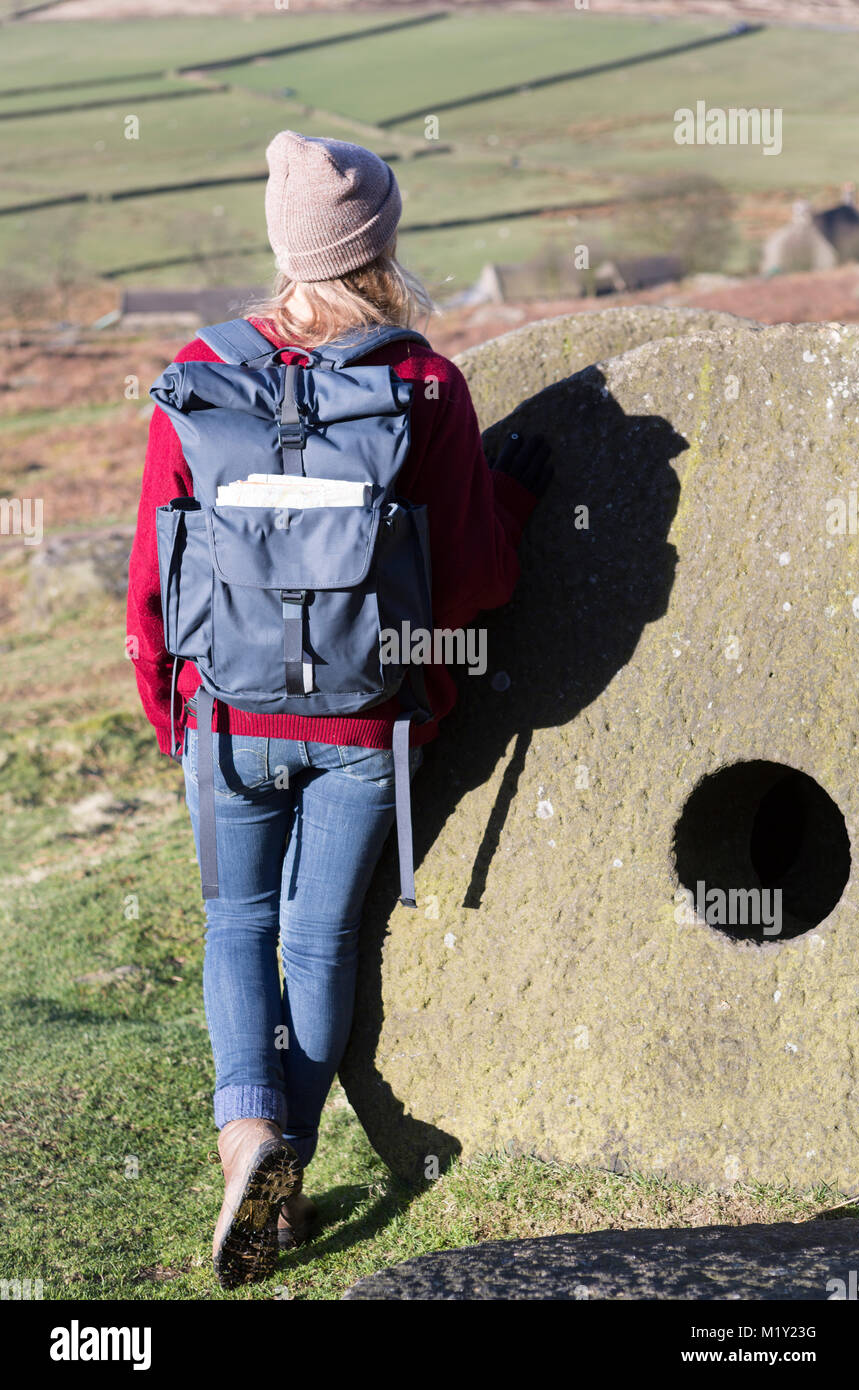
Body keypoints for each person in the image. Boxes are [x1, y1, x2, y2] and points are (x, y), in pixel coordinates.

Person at [127, 129, 552, 1288]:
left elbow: (151, 578)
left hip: (227, 721)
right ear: (383, 244)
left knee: (233, 930)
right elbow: (472, 581)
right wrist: (510, 490)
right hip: (364, 725)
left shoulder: (196, 373)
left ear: (284, 244)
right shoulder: (422, 386)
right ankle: (287, 1173)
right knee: (316, 941)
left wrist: (178, 720)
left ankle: (246, 1140)